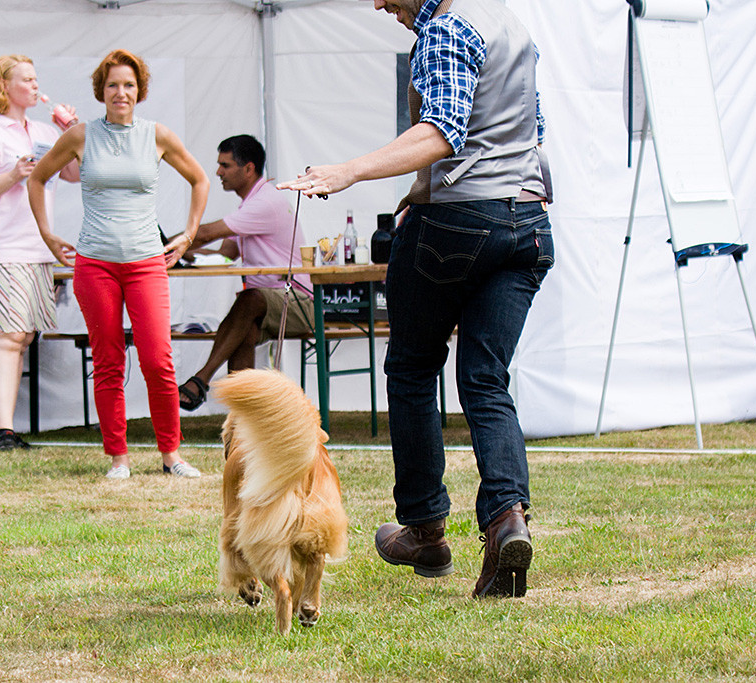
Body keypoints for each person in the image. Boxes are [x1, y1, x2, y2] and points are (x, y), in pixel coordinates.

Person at [279, 0, 554, 598]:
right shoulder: (510, 23)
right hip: (527, 221)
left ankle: (426, 529)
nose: (380, 4)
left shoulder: (446, 26)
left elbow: (443, 130)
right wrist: (420, 186)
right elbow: (518, 132)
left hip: (457, 224)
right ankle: (507, 519)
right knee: (485, 379)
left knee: (410, 368)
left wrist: (349, 171)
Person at [28, 49, 209, 480]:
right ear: (101, 90)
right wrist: (47, 233)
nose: (120, 93)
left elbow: (200, 179)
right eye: (113, 85)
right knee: (108, 359)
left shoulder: (157, 136)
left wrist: (188, 233)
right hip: (96, 263)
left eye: (128, 85)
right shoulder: (80, 136)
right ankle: (118, 458)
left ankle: (172, 455)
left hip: (146, 261)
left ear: (139, 90)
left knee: (157, 359)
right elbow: (37, 178)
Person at [0, 54, 80, 451]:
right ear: (3, 87)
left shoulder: (45, 130)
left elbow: (76, 174)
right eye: (25, 79)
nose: (33, 85)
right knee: (7, 335)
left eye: (35, 78)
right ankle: (3, 432)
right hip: (2, 248)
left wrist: (73, 131)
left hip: (37, 247)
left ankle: (6, 429)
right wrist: (11, 176)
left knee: (23, 336)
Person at [174, 134, 313, 412]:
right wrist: (183, 252)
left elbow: (205, 233)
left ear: (248, 169)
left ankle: (202, 379)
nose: (218, 172)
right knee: (244, 328)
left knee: (249, 300)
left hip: (298, 304)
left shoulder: (264, 202)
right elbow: (224, 254)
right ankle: (242, 418)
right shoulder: (251, 204)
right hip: (267, 304)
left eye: (225, 165)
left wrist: (167, 246)